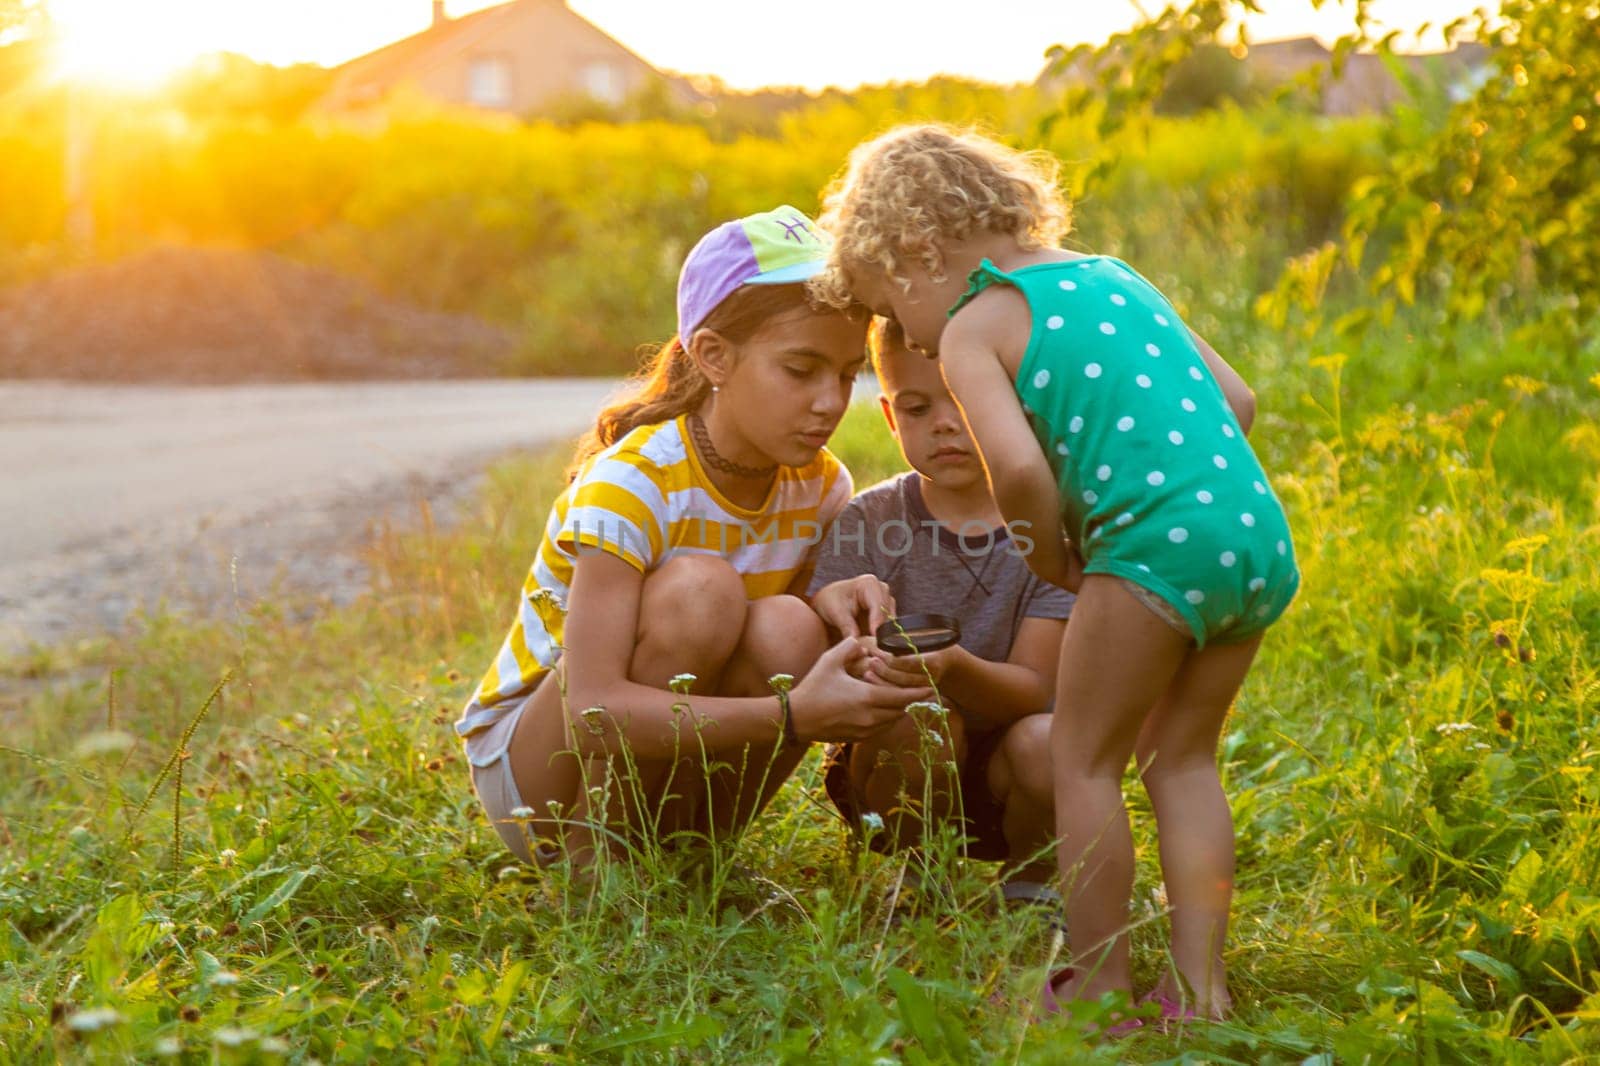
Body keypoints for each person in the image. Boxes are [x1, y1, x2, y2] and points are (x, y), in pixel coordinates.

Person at [814, 125, 1300, 1022]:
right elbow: (1239, 401)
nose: (909, 330)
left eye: (897, 306)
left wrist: (1051, 552)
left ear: (918, 254)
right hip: (1252, 534)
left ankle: (1098, 984)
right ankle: (1202, 990)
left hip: (1147, 550)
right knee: (1184, 760)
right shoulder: (1115, 276)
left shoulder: (972, 326)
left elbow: (1026, 476)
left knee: (1084, 760)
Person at [457, 206, 932, 870]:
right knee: (701, 590)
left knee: (792, 626)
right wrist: (794, 718)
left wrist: (835, 599)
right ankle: (597, 869)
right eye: (801, 370)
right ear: (713, 355)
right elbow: (592, 709)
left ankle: (688, 858)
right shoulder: (634, 482)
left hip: (664, 756)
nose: (829, 401)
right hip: (541, 776)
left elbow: (786, 650)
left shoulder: (821, 485)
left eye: (847, 373)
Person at [809, 316, 1071, 903]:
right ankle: (919, 881)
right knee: (924, 717)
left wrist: (951, 666)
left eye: (964, 400)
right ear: (888, 416)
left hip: (1009, 765)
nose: (946, 423)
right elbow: (828, 646)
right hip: (891, 758)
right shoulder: (868, 520)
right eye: (917, 408)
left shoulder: (1050, 529)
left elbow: (1034, 688)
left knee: (1050, 741)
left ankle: (1031, 888)